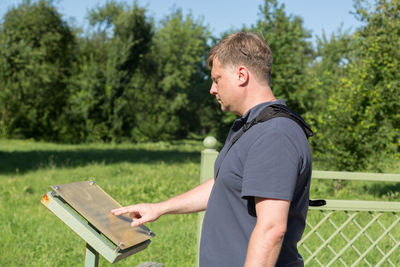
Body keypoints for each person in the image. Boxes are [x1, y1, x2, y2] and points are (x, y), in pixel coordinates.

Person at [111, 31, 312, 267]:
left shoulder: (275, 134)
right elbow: (224, 184)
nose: (212, 89)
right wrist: (160, 208)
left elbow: (271, 229)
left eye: (216, 79)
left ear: (241, 75)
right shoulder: (253, 127)